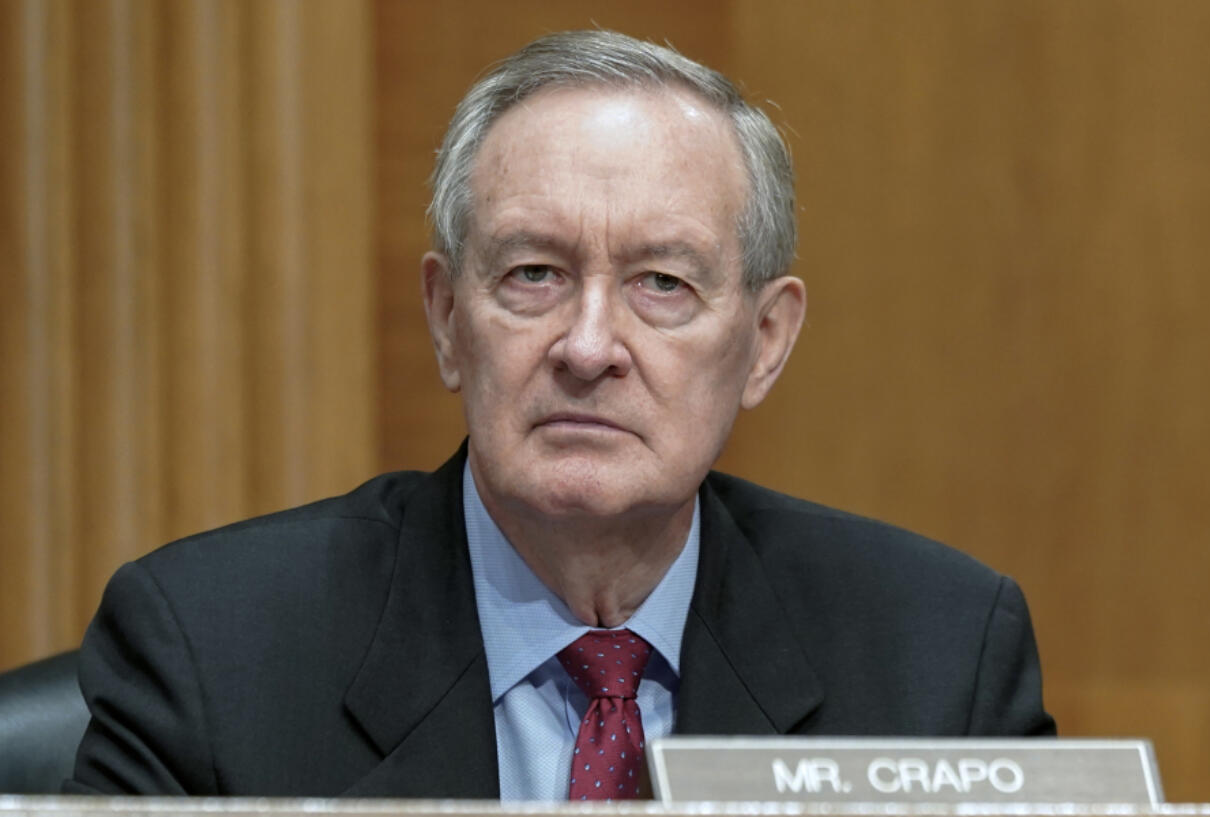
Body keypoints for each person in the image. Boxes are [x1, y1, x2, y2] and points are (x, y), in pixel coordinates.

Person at [67, 30, 1055, 800]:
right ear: (448, 318)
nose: (587, 347)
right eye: (533, 274)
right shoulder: (211, 650)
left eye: (661, 284)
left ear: (763, 341)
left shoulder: (936, 660)